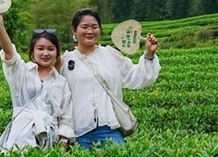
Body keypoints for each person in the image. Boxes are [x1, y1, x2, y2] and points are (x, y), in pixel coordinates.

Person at [58, 8, 160, 149]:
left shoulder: (110, 55)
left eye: (94, 27)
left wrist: (149, 54)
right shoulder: (65, 60)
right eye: (84, 27)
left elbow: (136, 76)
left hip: (109, 128)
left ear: (100, 30)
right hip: (78, 131)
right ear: (74, 30)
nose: (90, 31)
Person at [0, 11, 73, 152]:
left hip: (49, 140)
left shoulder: (61, 82)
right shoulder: (22, 72)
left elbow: (66, 117)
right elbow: (9, 54)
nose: (45, 53)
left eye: (51, 49)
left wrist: (62, 146)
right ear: (32, 52)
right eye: (40, 49)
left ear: (57, 53)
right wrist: (0, 27)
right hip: (21, 136)